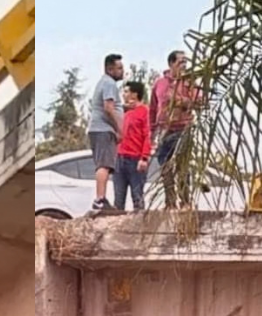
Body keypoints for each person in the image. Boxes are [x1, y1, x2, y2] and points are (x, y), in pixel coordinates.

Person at [151, 50, 203, 208]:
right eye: (181, 62)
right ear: (171, 64)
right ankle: (170, 202)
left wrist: (183, 101)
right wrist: (151, 132)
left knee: (183, 165)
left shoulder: (189, 82)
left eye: (186, 62)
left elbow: (201, 102)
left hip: (183, 128)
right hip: (164, 130)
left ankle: (185, 201)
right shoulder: (159, 83)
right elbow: (152, 109)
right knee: (165, 166)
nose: (184, 65)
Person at [87, 54, 126, 213]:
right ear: (110, 69)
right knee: (104, 165)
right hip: (104, 129)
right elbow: (108, 108)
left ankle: (101, 199)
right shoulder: (109, 83)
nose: (122, 71)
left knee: (105, 165)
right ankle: (100, 200)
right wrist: (119, 129)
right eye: (119, 68)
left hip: (99, 129)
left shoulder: (104, 82)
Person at [113, 81, 152, 211]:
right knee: (118, 199)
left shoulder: (144, 111)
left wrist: (144, 157)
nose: (123, 94)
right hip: (120, 158)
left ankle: (141, 228)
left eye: (126, 92)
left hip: (135, 159)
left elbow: (148, 135)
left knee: (137, 197)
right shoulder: (124, 111)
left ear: (134, 94)